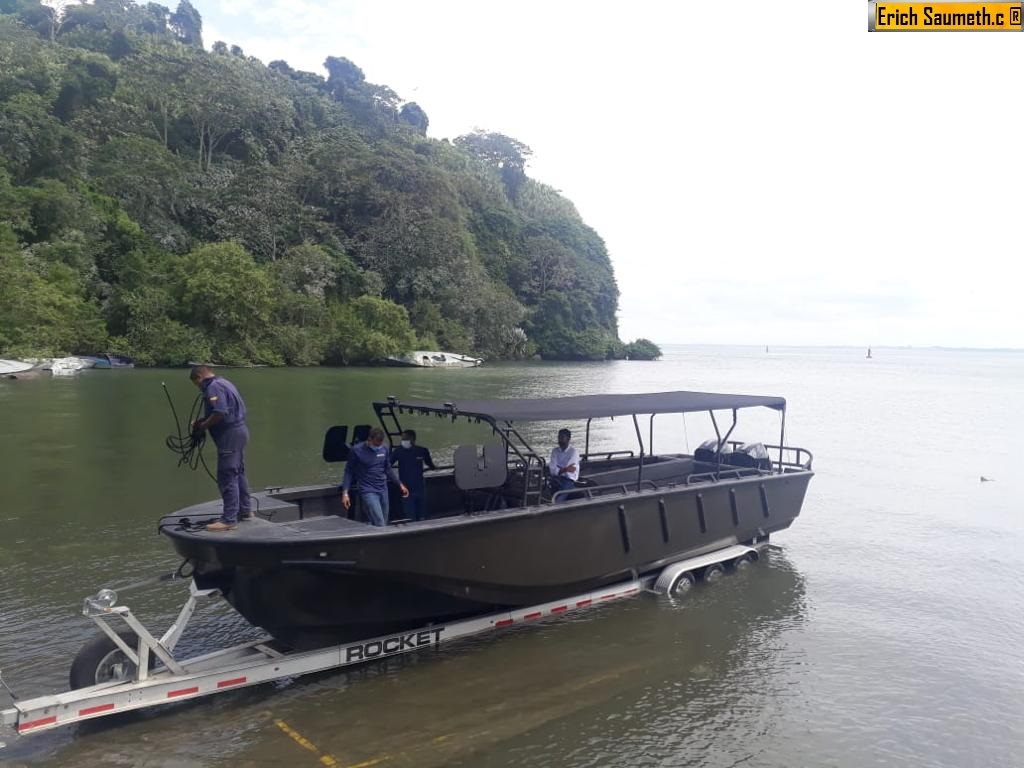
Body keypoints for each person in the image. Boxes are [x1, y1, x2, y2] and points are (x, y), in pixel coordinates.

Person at [189, 365, 251, 532]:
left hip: (230, 435)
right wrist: (203, 420)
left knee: (227, 474)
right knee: (238, 471)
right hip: (240, 431)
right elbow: (225, 410)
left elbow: (220, 412)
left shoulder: (213, 387)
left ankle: (229, 519)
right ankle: (245, 511)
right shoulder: (224, 382)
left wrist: (203, 426)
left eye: (197, 384)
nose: (199, 388)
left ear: (199, 378)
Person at [341, 427, 409, 526]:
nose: (378, 446)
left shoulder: (384, 448)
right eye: (376, 444)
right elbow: (348, 472)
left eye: (380, 444)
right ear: (370, 439)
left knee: (383, 521)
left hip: (382, 489)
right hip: (368, 490)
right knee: (380, 522)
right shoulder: (356, 450)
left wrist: (400, 484)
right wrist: (345, 493)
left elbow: (388, 469)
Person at [390, 429, 436, 521]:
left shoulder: (422, 451)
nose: (403, 441)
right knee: (410, 516)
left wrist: (434, 468)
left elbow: (431, 465)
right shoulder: (398, 451)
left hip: (420, 487)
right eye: (402, 439)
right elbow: (388, 464)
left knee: (422, 515)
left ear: (412, 439)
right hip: (406, 489)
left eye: (405, 438)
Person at [549, 428, 580, 497]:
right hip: (556, 478)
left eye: (562, 437)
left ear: (568, 439)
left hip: (568, 480)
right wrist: (565, 469)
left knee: (561, 495)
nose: (559, 440)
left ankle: (557, 505)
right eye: (559, 437)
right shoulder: (555, 451)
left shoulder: (573, 452)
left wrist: (559, 469)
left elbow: (570, 471)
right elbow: (552, 469)